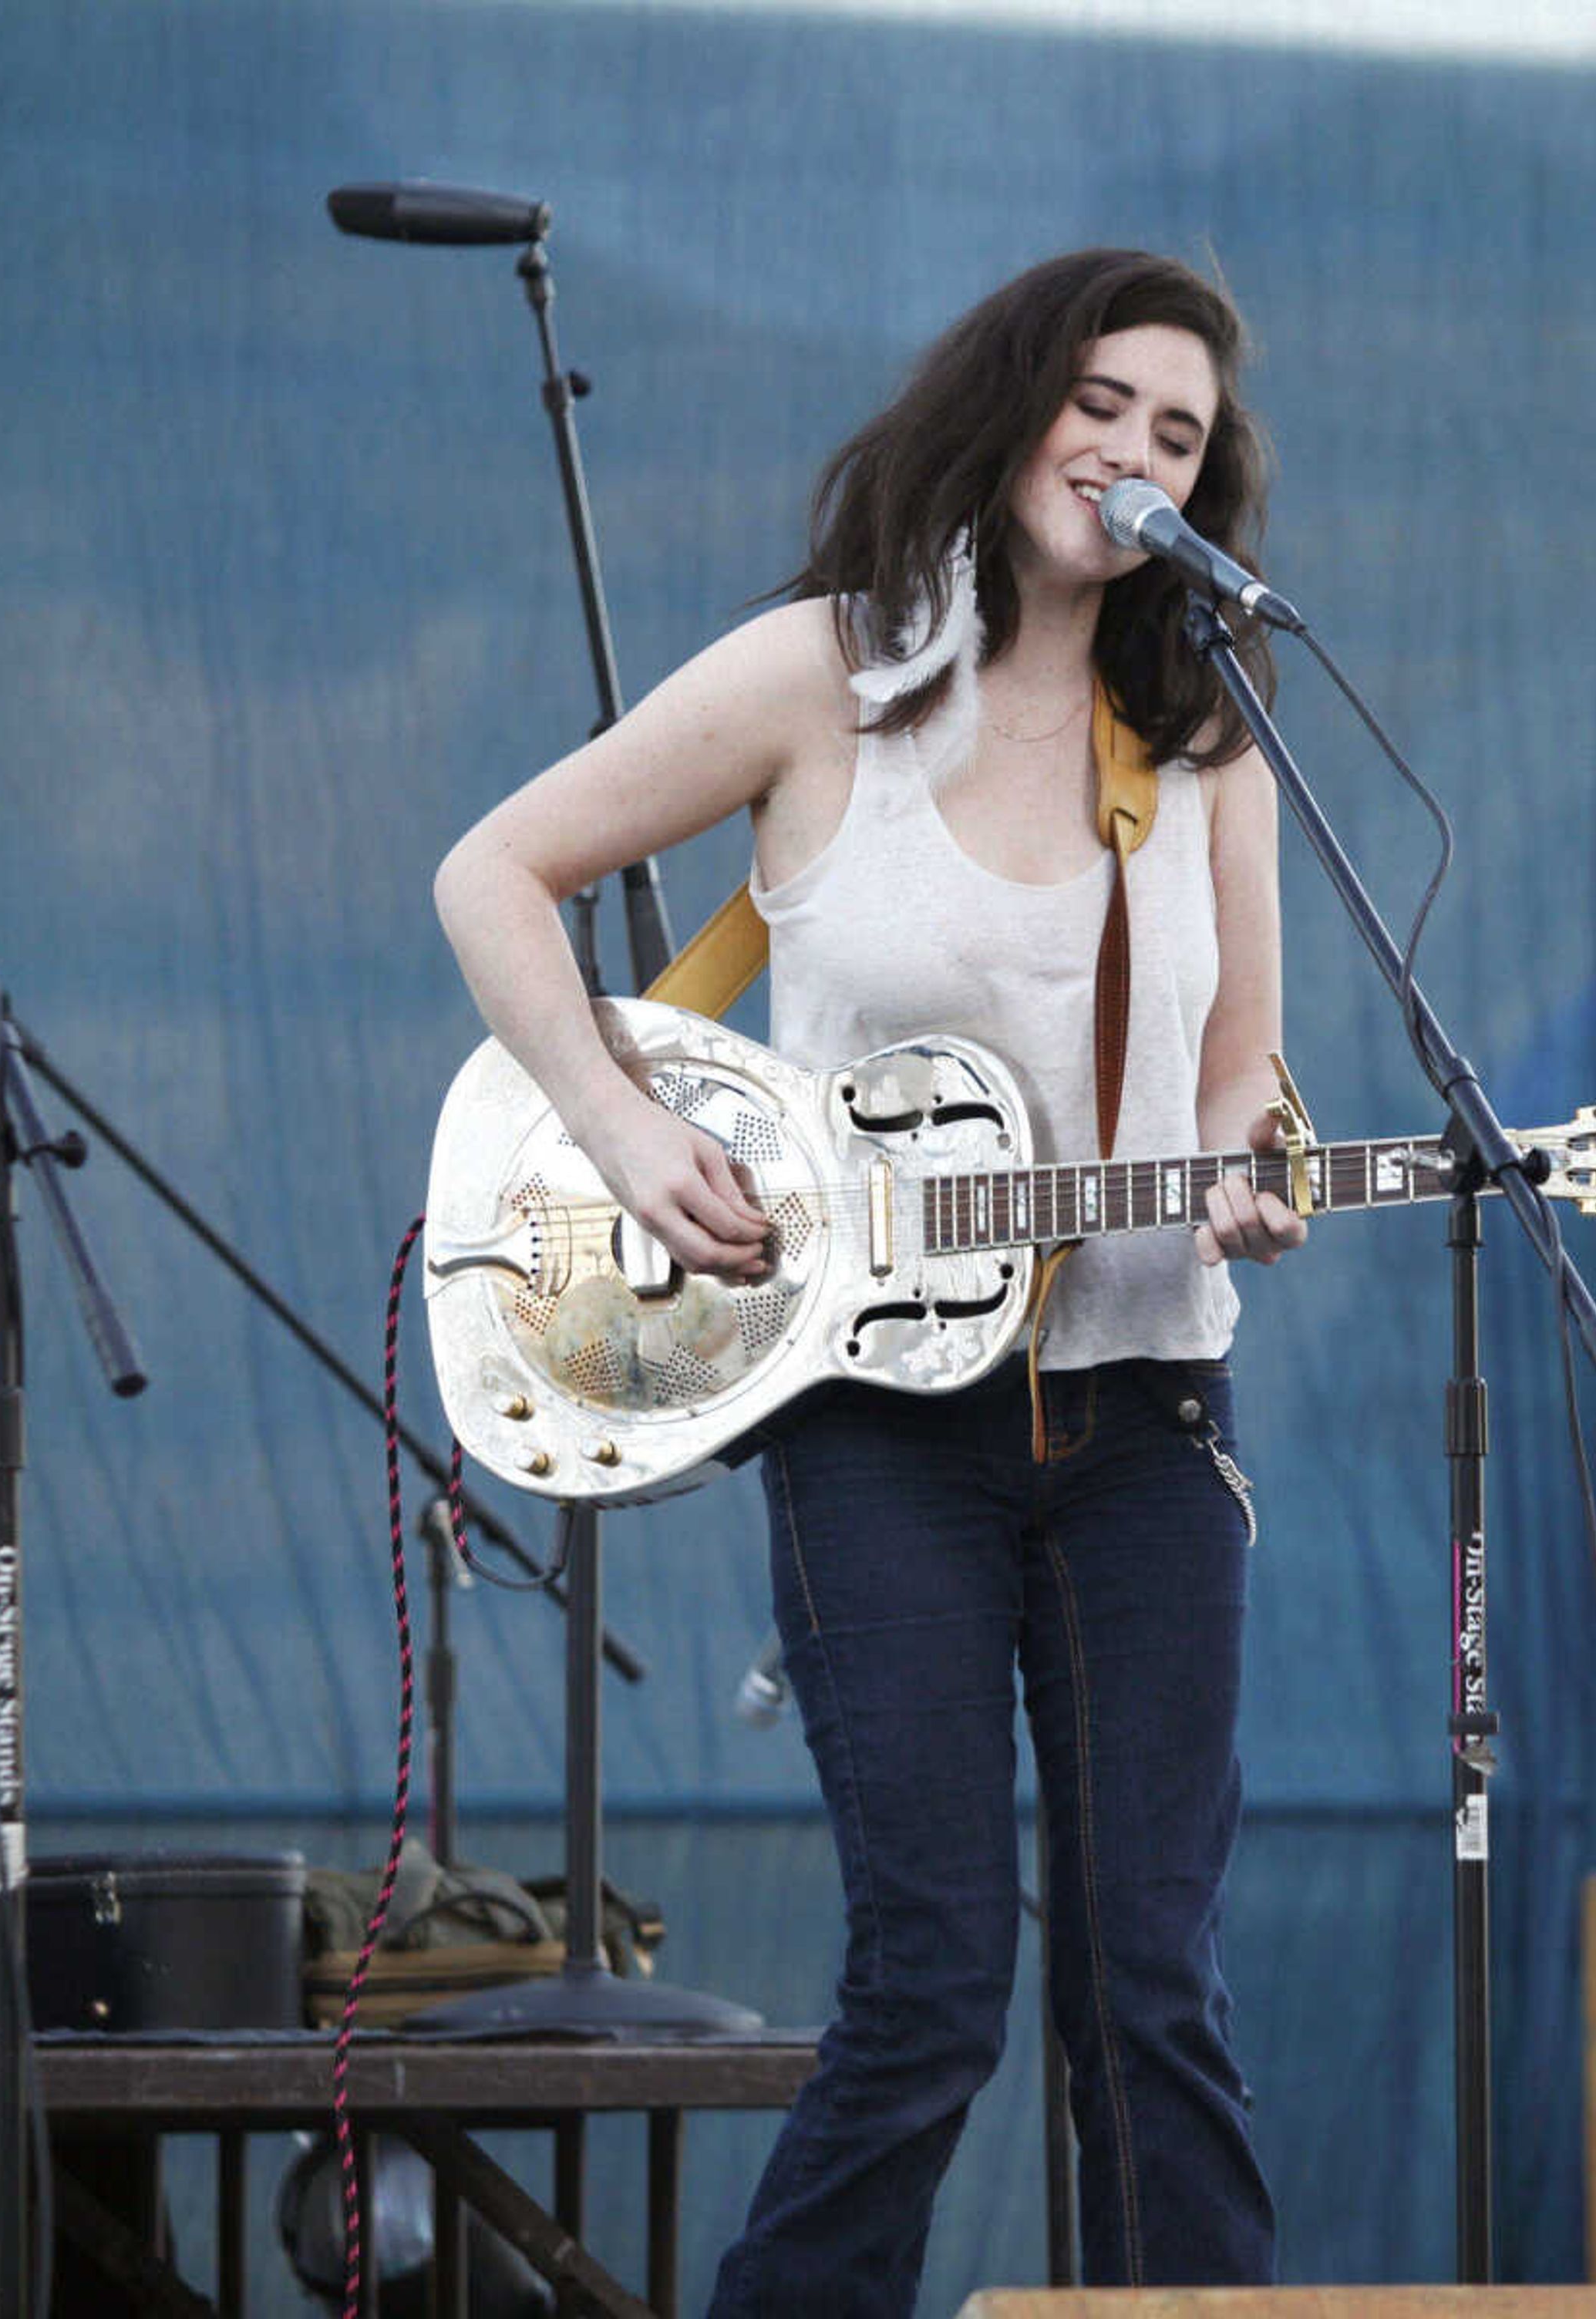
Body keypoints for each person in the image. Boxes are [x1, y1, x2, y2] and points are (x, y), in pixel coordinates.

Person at [433, 247, 1305, 2316]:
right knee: (934, 1984)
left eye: (1176, 433)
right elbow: (495, 871)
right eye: (1104, 404)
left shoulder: (1200, 736)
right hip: (873, 1434)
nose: (1131, 452)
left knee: (1149, 1985)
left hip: (1145, 1418)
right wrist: (633, 1126)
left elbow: (1244, 1071)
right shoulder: (828, 675)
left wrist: (1259, 1171)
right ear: (1016, 404)